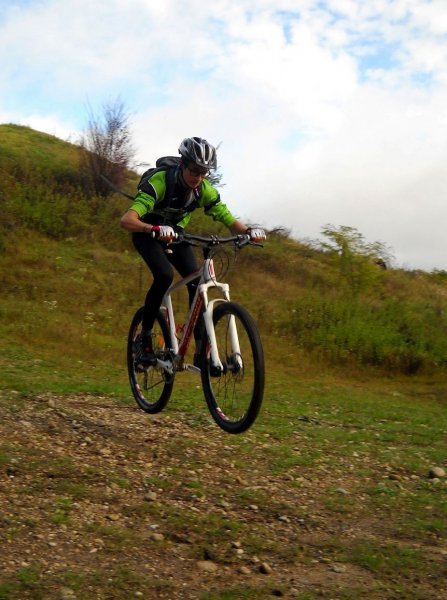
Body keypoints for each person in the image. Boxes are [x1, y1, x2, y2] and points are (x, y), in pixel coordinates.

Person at [120, 136, 266, 364]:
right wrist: (152, 228)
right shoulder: (160, 182)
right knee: (164, 275)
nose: (198, 177)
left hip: (176, 235)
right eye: (194, 170)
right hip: (146, 232)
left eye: (204, 172)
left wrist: (248, 231)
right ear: (182, 164)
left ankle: (200, 349)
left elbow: (224, 215)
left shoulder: (202, 189)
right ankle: (144, 337)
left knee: (197, 282)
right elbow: (127, 220)